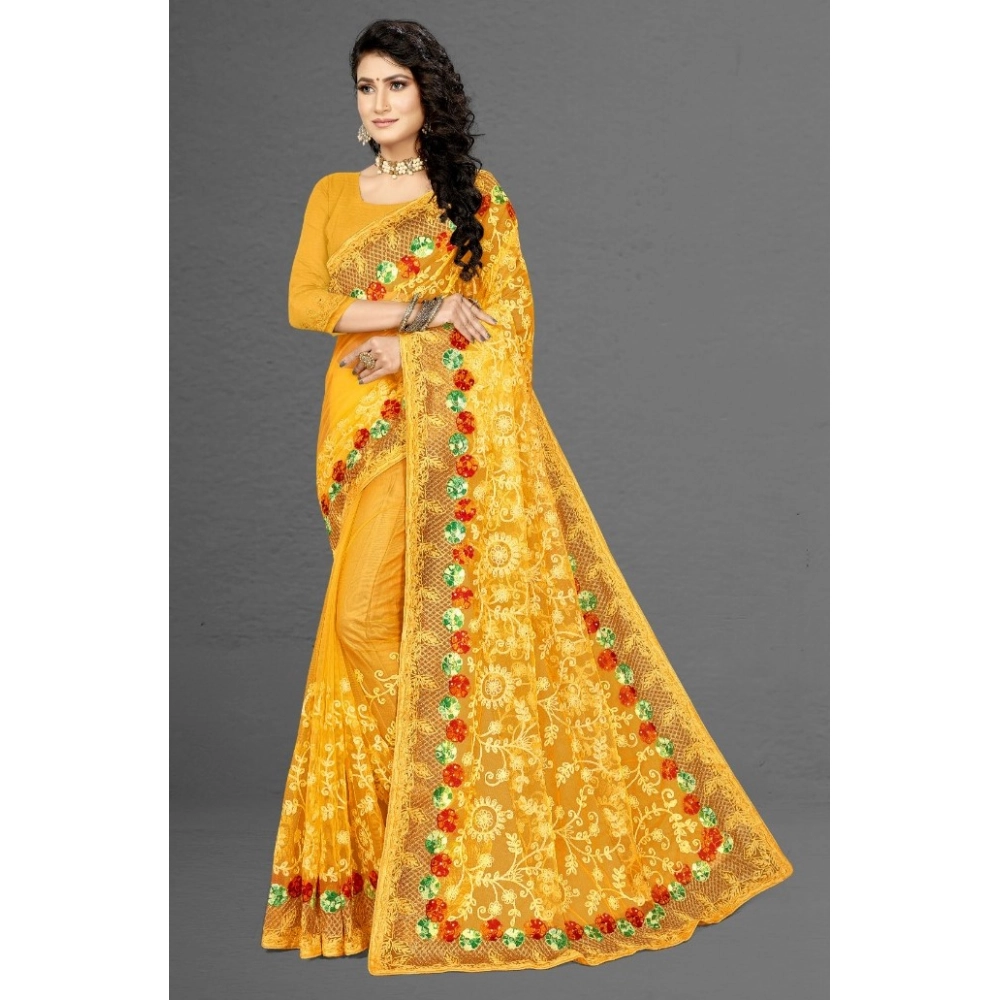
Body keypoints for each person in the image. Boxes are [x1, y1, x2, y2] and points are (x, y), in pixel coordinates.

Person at [261, 18, 793, 976]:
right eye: (365, 87)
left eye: (395, 85)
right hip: (357, 439)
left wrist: (408, 351)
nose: (378, 103)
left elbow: (506, 333)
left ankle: (447, 825)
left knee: (370, 627)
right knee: (372, 632)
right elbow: (306, 304)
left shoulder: (478, 199)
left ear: (428, 95)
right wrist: (423, 311)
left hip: (439, 440)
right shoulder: (332, 194)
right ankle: (411, 847)